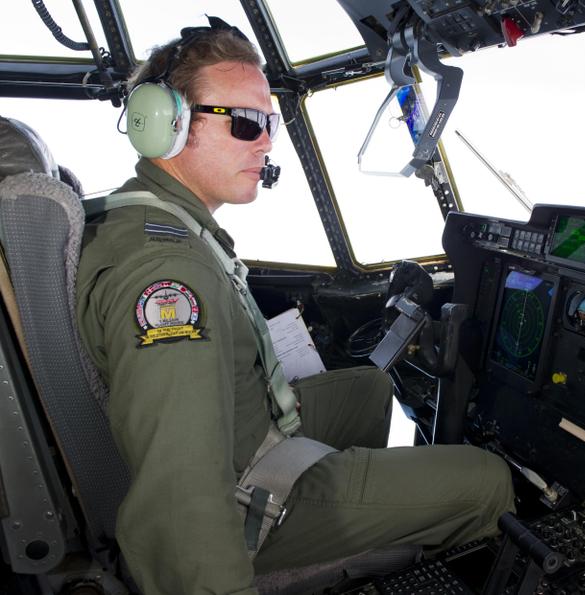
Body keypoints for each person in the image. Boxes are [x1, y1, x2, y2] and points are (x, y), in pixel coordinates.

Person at [75, 19, 514, 595]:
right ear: (165, 126)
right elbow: (180, 491)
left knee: (368, 387)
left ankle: (363, 532)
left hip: (243, 435)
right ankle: (347, 538)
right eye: (245, 122)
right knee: (486, 480)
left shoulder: (154, 219)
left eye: (270, 122)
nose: (265, 142)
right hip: (240, 497)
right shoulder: (170, 275)